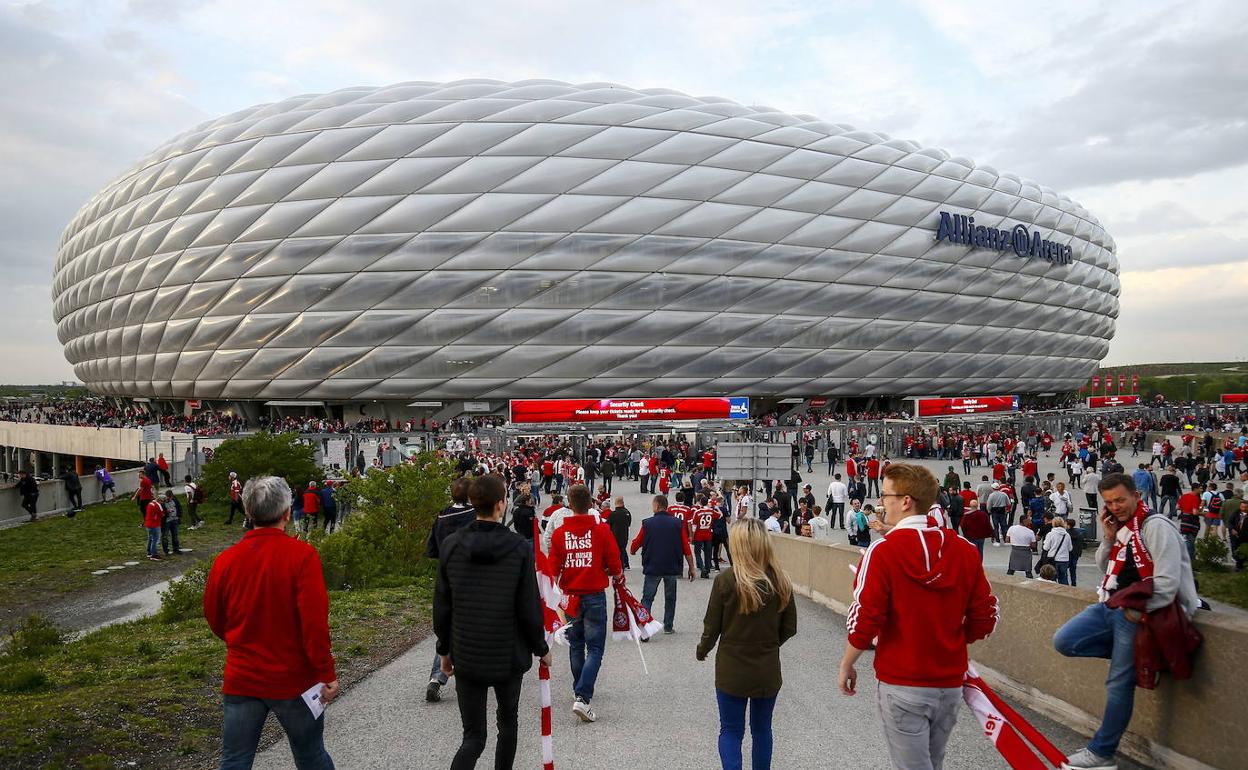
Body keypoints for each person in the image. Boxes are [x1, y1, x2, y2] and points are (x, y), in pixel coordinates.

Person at [838, 463, 999, 770]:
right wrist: (952, 641)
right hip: (949, 681)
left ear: (906, 501)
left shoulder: (882, 552)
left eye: (886, 495)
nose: (882, 502)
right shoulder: (964, 551)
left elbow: (865, 618)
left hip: (903, 680)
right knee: (932, 762)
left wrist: (847, 664)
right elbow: (986, 615)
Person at [1053, 472, 1199, 770]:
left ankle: (1102, 753)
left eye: (1120, 500)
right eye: (1109, 502)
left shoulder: (1155, 527)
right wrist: (1108, 538)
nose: (1115, 506)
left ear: (1136, 495)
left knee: (1118, 683)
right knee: (1065, 640)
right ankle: (1137, 658)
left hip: (1139, 612)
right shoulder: (1122, 528)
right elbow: (1107, 568)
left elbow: (1168, 583)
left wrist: (1134, 612)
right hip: (1110, 602)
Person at [204, 476, 338, 770]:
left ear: (248, 513)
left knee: (235, 760)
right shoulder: (302, 557)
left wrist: (240, 640)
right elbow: (314, 624)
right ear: (288, 512)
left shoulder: (226, 560)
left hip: (242, 675)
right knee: (311, 756)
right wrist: (326, 672)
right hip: (294, 679)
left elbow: (215, 617)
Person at [433, 475, 550, 770]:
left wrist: (444, 650)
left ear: (473, 503)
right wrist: (541, 647)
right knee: (508, 722)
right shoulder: (518, 549)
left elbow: (443, 606)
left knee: (473, 736)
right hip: (507, 653)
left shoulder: (451, 546)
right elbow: (527, 606)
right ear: (501, 504)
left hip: (467, 651)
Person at [697, 518, 797, 770]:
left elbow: (712, 625)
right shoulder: (781, 580)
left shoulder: (726, 580)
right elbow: (789, 627)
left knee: (730, 730)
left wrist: (703, 650)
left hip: (732, 667)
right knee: (762, 729)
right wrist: (768, 644)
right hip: (766, 668)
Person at [550, 483, 623, 722]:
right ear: (591, 503)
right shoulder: (601, 530)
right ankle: (582, 696)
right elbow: (614, 560)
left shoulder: (561, 534)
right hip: (593, 594)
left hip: (571, 596)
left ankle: (579, 687)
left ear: (569, 505)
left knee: (576, 645)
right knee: (595, 648)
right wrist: (617, 574)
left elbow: (553, 568)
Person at [424, 477, 475, 703]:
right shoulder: (474, 515)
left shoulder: (442, 516)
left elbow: (432, 549)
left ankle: (437, 677)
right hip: (471, 575)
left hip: (446, 575)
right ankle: (472, 674)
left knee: (449, 627)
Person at [630, 494, 696, 633]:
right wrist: (691, 567)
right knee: (670, 598)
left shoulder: (647, 523)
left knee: (647, 598)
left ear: (657, 506)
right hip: (671, 566)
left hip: (653, 566)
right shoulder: (677, 524)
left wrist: (633, 549)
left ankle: (644, 627)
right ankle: (668, 626)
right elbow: (686, 547)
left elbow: (637, 541)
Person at [1042, 517, 1074, 585]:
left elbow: (1046, 548)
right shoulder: (1067, 535)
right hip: (1064, 560)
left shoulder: (1050, 534)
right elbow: (1070, 548)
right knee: (1063, 578)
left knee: (1052, 578)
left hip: (1052, 559)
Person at [1006, 513, 1036, 578]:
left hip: (1015, 551)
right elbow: (1034, 545)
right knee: (1028, 570)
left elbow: (1007, 539)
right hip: (1026, 552)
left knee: (1011, 568)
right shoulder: (1030, 532)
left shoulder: (1012, 528)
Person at [607, 497, 632, 570]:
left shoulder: (613, 514)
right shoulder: (627, 513)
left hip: (615, 536)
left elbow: (608, 525)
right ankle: (625, 564)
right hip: (624, 535)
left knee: (617, 552)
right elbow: (629, 523)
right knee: (623, 550)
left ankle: (620, 566)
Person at [161, 490, 183, 555]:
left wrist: (179, 515)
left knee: (175, 535)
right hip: (167, 521)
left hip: (175, 519)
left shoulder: (175, 500)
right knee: (165, 536)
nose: (169, 499)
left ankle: (176, 549)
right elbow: (161, 511)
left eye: (170, 497)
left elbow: (179, 507)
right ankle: (166, 550)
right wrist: (167, 511)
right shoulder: (162, 502)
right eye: (168, 497)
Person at [143, 494, 164, 560]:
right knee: (155, 539)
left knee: (150, 538)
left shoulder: (150, 503)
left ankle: (149, 552)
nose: (163, 503)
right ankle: (154, 554)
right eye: (163, 501)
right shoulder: (158, 505)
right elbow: (162, 514)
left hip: (148, 523)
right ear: (160, 500)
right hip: (154, 524)